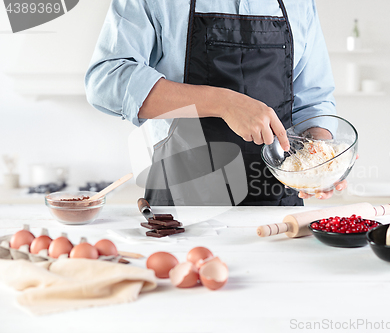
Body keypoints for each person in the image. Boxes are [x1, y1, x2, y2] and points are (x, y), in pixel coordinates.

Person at [85, 0, 345, 206]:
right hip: (182, 206)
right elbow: (106, 81)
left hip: (277, 211)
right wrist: (223, 102)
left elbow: (313, 101)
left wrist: (319, 159)